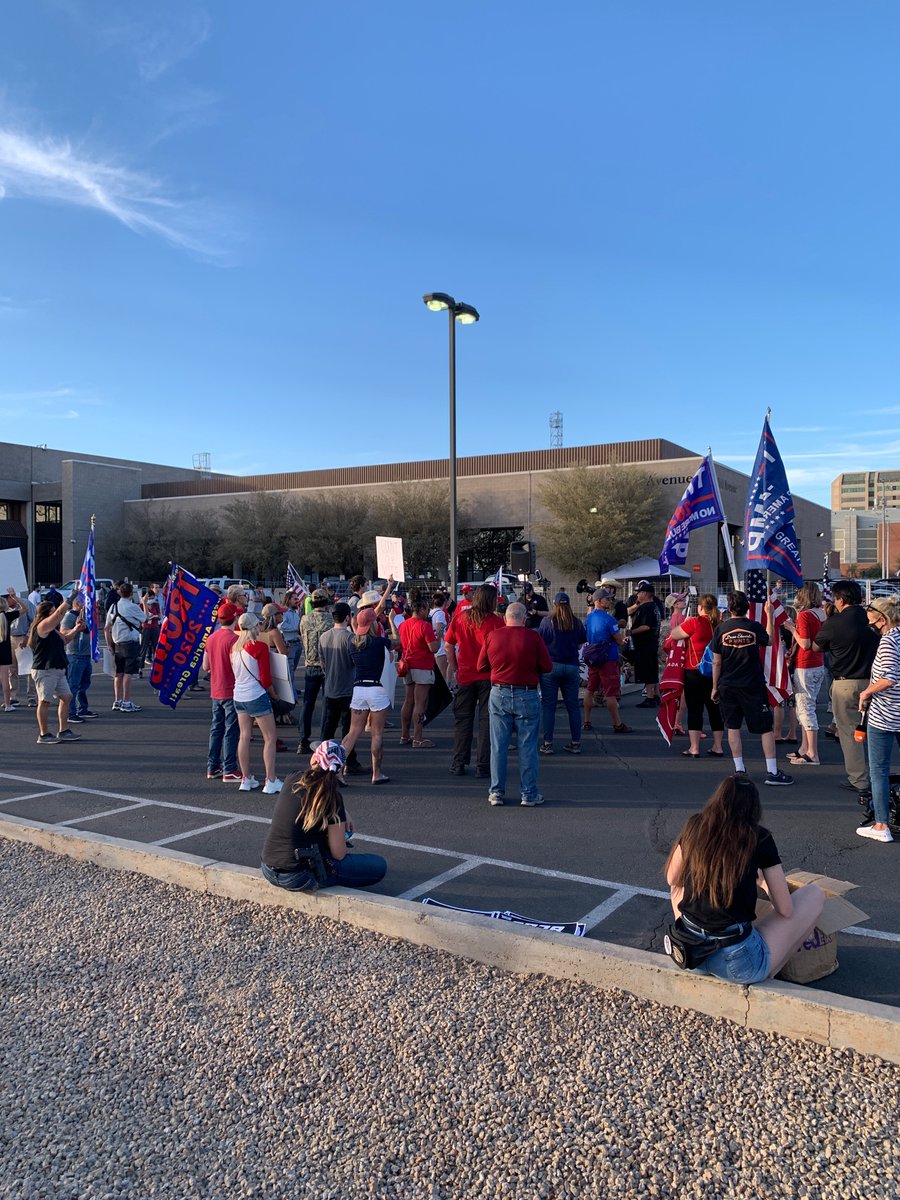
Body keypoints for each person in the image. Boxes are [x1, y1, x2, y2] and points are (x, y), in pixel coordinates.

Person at [664, 776, 825, 984]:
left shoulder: (696, 825)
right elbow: (785, 909)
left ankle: (701, 935)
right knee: (814, 894)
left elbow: (672, 879)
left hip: (689, 953)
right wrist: (764, 884)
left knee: (677, 887)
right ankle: (769, 971)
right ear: (754, 808)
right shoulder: (759, 838)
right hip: (737, 963)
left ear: (719, 799)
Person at [260, 741, 387, 891]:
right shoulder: (333, 800)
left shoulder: (292, 778)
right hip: (299, 877)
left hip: (268, 868)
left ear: (314, 759)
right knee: (378, 865)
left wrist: (342, 812)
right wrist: (341, 814)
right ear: (338, 770)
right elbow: (339, 854)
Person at [711, 590, 793, 786]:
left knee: (733, 726)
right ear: (747, 608)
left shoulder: (721, 629)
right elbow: (770, 639)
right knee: (765, 728)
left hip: (728, 684)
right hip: (752, 685)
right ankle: (772, 771)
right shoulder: (754, 627)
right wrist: (770, 617)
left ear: (729, 608)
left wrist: (714, 686)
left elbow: (716, 662)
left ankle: (740, 768)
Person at [477, 601, 552, 807]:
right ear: (524, 618)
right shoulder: (533, 637)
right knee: (527, 746)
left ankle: (496, 792)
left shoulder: (492, 636)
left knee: (498, 746)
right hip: (526, 693)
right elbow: (546, 666)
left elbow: (481, 665)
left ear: (505, 618)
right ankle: (528, 793)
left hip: (499, 691)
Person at [814, 580, 878, 803]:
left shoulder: (834, 623)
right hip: (873, 682)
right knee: (877, 731)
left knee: (850, 733)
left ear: (840, 600)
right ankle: (878, 775)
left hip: (845, 683)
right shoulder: (872, 619)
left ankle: (859, 780)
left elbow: (815, 646)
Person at [445, 584, 505, 777]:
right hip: (488, 677)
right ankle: (483, 765)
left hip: (465, 675)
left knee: (463, 720)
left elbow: (448, 645)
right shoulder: (496, 622)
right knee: (487, 722)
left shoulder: (461, 618)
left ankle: (458, 762)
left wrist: (454, 668)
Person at [855, 597, 900, 843]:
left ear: (881, 620)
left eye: (871, 619)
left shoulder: (887, 642)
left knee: (879, 770)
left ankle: (881, 824)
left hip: (886, 714)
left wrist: (867, 691)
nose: (868, 622)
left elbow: (889, 677)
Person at [230, 613, 283, 794]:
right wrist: (275, 694)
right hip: (256, 695)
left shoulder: (234, 647)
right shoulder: (259, 646)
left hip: (239, 695)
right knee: (270, 738)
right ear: (254, 626)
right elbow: (265, 678)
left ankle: (246, 778)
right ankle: (271, 779)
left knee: (244, 737)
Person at [342, 607, 395, 785]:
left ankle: (337, 771)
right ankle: (376, 773)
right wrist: (392, 623)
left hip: (359, 689)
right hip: (377, 689)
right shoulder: (380, 642)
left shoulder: (352, 644)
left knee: (352, 733)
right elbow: (398, 643)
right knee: (377, 734)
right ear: (374, 623)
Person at [668, 593, 724, 758]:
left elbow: (675, 634)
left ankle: (694, 747)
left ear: (700, 607)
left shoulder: (695, 622)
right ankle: (718, 746)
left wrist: (685, 622)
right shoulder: (719, 624)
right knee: (714, 709)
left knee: (695, 709)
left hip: (693, 670)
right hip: (715, 671)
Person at [28, 595, 85, 744]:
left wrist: (75, 629)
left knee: (67, 697)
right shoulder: (42, 626)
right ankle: (43, 734)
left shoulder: (52, 629)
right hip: (45, 669)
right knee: (44, 701)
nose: (56, 615)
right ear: (46, 614)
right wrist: (70, 598)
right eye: (52, 612)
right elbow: (59, 614)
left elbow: (65, 639)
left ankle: (63, 730)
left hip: (57, 669)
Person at [318, 602, 365, 775]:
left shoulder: (324, 637)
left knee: (328, 728)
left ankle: (323, 761)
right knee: (348, 729)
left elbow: (322, 662)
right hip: (348, 688)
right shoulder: (351, 638)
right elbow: (356, 663)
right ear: (348, 617)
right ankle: (349, 762)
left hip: (330, 687)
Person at [538, 592, 586, 755]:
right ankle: (575, 742)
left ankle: (548, 743)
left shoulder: (547, 621)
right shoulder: (577, 622)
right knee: (572, 706)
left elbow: (541, 643)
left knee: (549, 706)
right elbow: (580, 645)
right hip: (571, 666)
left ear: (554, 604)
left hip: (551, 666)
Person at [201, 601, 241, 782]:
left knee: (216, 729)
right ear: (235, 618)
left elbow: (205, 666)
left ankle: (212, 767)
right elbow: (239, 666)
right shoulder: (234, 640)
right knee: (231, 731)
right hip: (231, 689)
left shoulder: (211, 638)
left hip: (216, 689)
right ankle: (229, 768)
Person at [582, 588, 629, 734]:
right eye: (607, 599)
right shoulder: (609, 619)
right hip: (607, 658)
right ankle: (617, 724)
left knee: (590, 689)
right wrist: (623, 640)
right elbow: (619, 639)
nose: (610, 601)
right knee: (610, 692)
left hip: (593, 657)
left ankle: (587, 721)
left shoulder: (589, 617)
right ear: (599, 601)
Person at [398, 594, 439, 748]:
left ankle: (404, 735)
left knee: (408, 701)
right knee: (420, 703)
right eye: (427, 609)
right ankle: (418, 738)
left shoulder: (403, 625)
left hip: (407, 665)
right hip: (422, 666)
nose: (428, 611)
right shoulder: (425, 626)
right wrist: (439, 636)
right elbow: (433, 648)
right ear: (421, 609)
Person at [299, 588, 334, 753]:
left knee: (308, 704)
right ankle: (323, 739)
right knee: (326, 704)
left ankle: (303, 740)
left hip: (310, 665)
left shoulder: (304, 619)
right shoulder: (331, 619)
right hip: (327, 666)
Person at [104, 582, 145, 713]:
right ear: (131, 593)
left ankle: (117, 700)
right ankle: (126, 701)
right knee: (128, 673)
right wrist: (144, 604)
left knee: (118, 673)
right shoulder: (132, 607)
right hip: (130, 643)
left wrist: (109, 644)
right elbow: (145, 619)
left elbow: (106, 628)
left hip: (117, 644)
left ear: (120, 593)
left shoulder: (113, 607)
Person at [62, 594, 96, 720]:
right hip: (75, 655)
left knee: (84, 684)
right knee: (73, 685)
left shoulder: (86, 616)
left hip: (86, 655)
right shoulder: (70, 616)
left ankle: (83, 709)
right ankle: (71, 713)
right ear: (78, 604)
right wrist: (76, 629)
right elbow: (63, 632)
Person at [629, 583, 661, 706]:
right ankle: (656, 694)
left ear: (646, 594)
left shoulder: (647, 608)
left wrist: (631, 631)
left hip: (645, 644)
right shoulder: (655, 606)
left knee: (647, 671)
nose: (637, 594)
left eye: (640, 592)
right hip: (651, 643)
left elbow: (645, 626)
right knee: (653, 670)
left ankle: (650, 697)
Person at [139, 583, 163, 674]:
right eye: (149, 598)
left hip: (155, 627)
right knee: (143, 648)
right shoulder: (141, 605)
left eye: (152, 598)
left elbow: (159, 615)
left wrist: (154, 616)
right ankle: (140, 668)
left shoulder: (155, 605)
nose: (151, 600)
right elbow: (145, 617)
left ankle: (157, 668)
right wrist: (145, 603)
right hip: (146, 628)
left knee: (155, 647)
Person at [429, 590, 452, 681]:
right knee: (442, 671)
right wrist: (447, 641)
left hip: (433, 642)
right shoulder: (440, 613)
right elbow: (439, 630)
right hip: (441, 645)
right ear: (444, 602)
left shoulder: (431, 612)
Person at [280, 591, 303, 677]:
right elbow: (281, 626)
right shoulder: (284, 612)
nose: (297, 600)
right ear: (288, 600)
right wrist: (295, 628)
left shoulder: (296, 612)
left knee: (293, 669)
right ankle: (291, 690)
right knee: (289, 670)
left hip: (297, 643)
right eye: (295, 599)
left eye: (297, 598)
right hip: (289, 643)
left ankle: (292, 688)